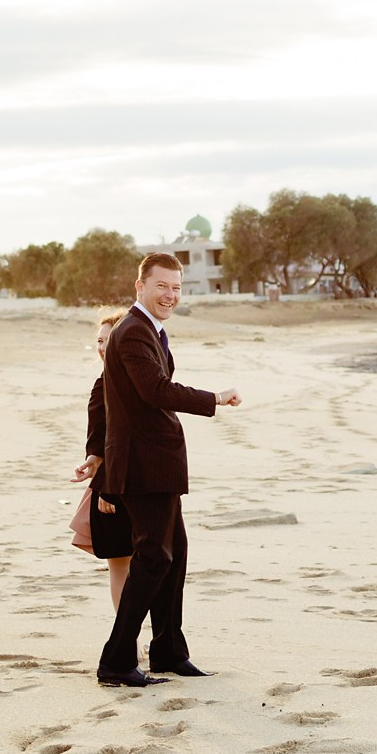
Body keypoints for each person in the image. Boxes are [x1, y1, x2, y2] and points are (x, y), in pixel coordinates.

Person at [93, 252, 240, 687]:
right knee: (154, 558)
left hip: (156, 463)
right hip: (143, 466)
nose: (170, 295)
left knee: (173, 558)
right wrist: (213, 397)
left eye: (176, 288)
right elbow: (155, 391)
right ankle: (117, 660)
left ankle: (168, 652)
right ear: (140, 287)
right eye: (162, 286)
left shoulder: (151, 330)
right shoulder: (134, 330)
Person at [70, 310, 130, 610]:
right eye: (100, 340)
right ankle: (127, 638)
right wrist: (93, 462)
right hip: (111, 489)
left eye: (110, 340)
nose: (103, 347)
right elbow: (101, 438)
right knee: (120, 564)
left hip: (142, 484)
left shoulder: (143, 382)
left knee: (152, 565)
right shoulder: (102, 384)